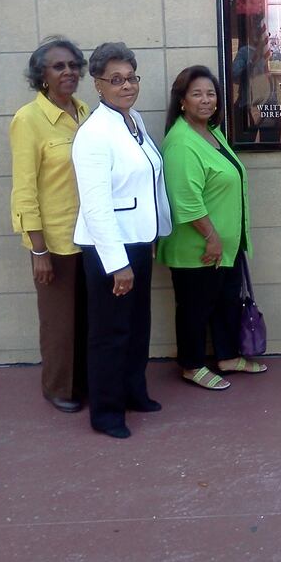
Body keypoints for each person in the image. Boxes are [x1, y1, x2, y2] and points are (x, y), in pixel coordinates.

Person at [72, 42, 172, 439]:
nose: (126, 85)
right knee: (110, 333)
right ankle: (106, 412)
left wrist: (150, 237)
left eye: (131, 77)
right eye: (116, 79)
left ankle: (134, 391)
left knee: (136, 325)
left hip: (138, 241)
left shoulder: (133, 121)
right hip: (108, 250)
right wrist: (118, 264)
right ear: (97, 85)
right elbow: (96, 207)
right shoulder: (94, 133)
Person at [156, 65, 267, 390]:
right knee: (195, 308)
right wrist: (212, 237)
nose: (206, 100)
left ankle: (228, 357)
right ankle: (191, 365)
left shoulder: (211, 132)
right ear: (181, 101)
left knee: (225, 303)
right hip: (200, 247)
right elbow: (186, 200)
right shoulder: (181, 143)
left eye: (211, 93)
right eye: (197, 94)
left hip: (225, 246)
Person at [10, 36, 89, 413]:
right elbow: (24, 191)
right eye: (59, 66)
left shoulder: (86, 111)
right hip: (55, 241)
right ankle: (58, 387)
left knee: (88, 316)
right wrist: (38, 249)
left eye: (73, 65)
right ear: (41, 75)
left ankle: (85, 381)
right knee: (59, 325)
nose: (69, 72)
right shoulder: (29, 120)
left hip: (91, 237)